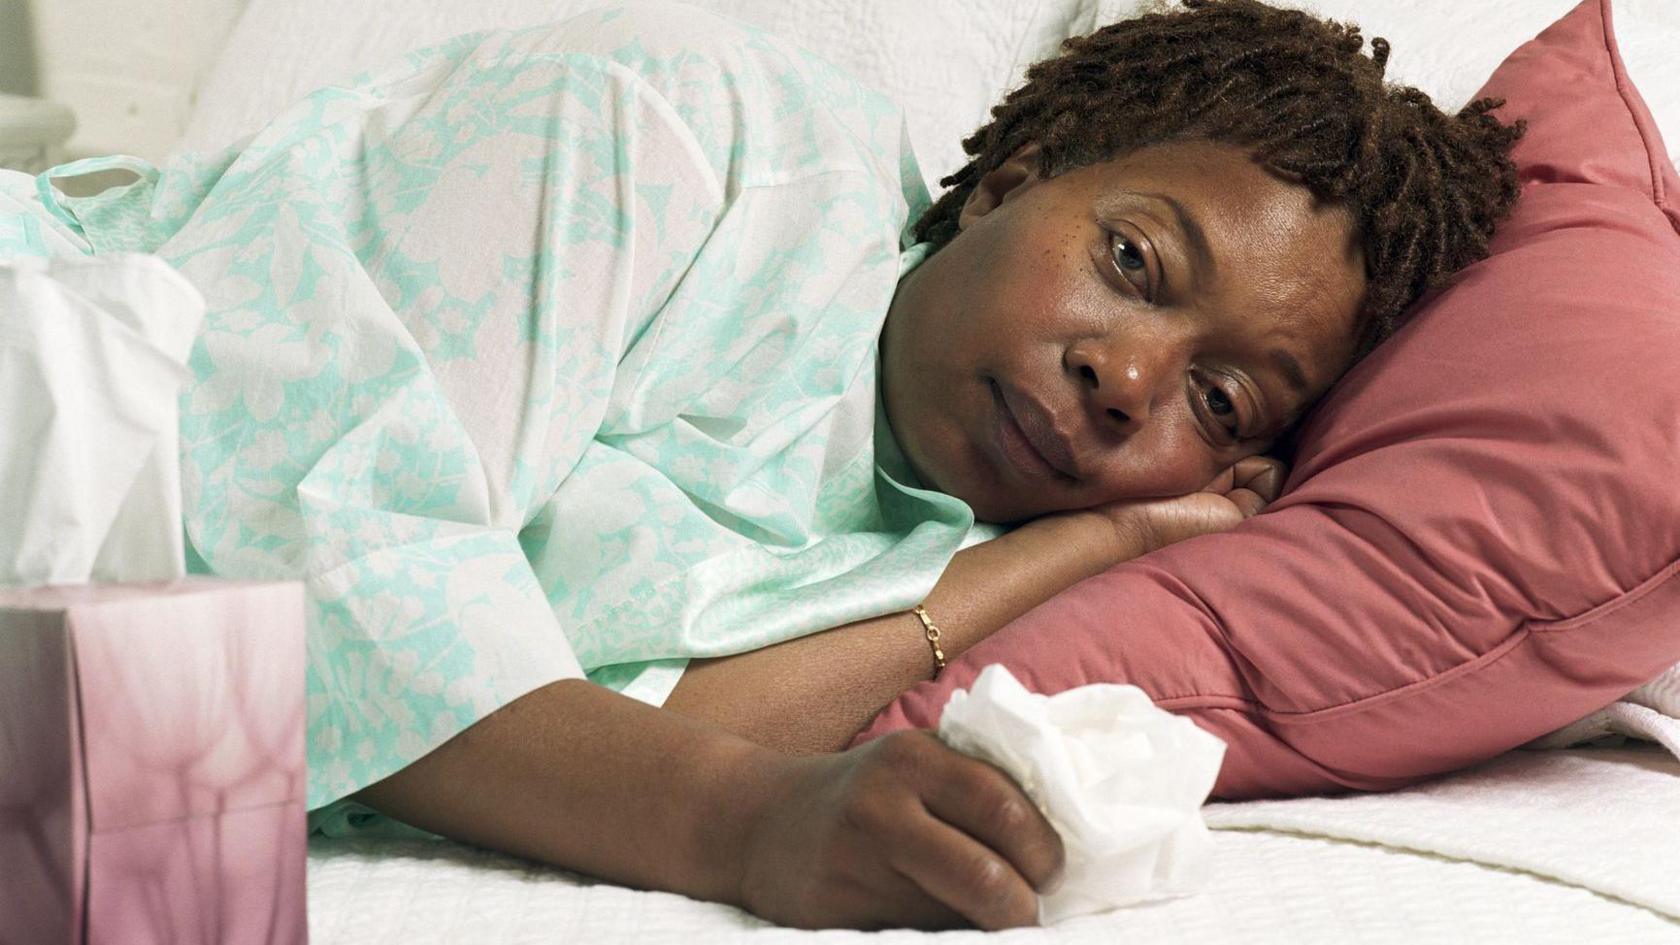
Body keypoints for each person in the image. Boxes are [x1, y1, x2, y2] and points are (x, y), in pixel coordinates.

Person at [0, 0, 1520, 929]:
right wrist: (740, 825)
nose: (1128, 383)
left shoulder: (928, 537)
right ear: (1019, 172)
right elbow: (338, 552)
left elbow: (596, 739)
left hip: (109, 679)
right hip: (67, 395)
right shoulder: (693, 120)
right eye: (1132, 261)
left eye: (1225, 399)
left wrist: (1088, 554)